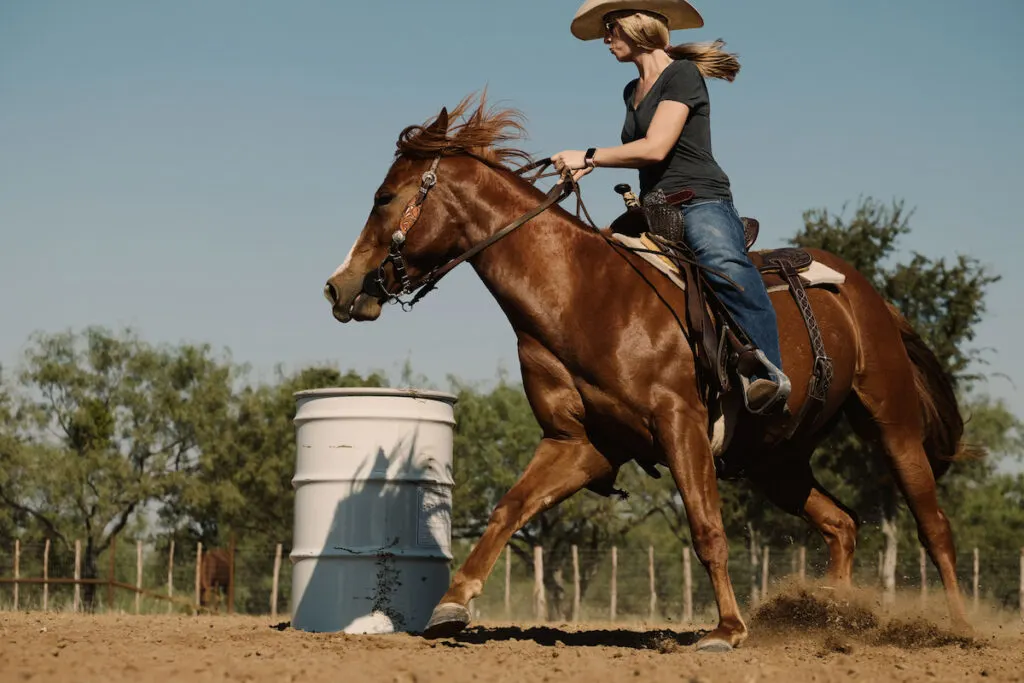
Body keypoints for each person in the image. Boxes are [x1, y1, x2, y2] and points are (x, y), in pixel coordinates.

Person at [551, 0, 790, 414]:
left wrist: (588, 155)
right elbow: (633, 150)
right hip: (653, 207)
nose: (606, 39)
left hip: (699, 200)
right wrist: (588, 168)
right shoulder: (632, 90)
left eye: (612, 28)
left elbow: (656, 147)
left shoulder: (682, 74)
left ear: (637, 26)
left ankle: (767, 375)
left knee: (725, 264)